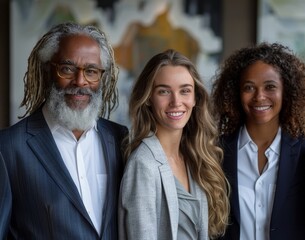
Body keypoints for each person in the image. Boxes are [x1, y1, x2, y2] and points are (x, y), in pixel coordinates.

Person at [0, 22, 128, 239]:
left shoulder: (119, 139)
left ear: (101, 77)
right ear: (48, 70)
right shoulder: (8, 148)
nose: (80, 81)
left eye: (91, 71)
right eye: (67, 68)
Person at [211, 42, 305, 240]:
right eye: (249, 87)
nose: (259, 96)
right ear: (237, 93)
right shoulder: (214, 153)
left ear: (286, 91)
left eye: (270, 87)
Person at [118, 49, 230, 240]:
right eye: (164, 91)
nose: (176, 102)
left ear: (195, 98)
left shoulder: (193, 155)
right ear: (148, 99)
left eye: (185, 91)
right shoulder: (143, 163)